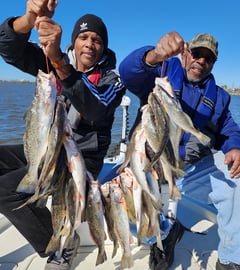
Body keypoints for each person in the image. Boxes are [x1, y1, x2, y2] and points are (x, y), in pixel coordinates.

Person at [0, 0, 125, 269]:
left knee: (5, 190)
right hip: (45, 148)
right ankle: (37, 194)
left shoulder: (112, 79)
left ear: (103, 47)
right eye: (83, 37)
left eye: (96, 40)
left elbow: (95, 108)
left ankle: (61, 242)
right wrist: (28, 17)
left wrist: (57, 60)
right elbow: (9, 49)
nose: (90, 44)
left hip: (79, 159)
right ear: (74, 41)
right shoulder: (51, 60)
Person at [119, 32, 240, 270]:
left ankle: (234, 259)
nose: (201, 61)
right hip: (152, 168)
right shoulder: (162, 71)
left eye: (208, 59)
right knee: (124, 210)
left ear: (212, 65)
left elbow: (229, 129)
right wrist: (154, 55)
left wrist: (237, 148)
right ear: (185, 53)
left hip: (190, 171)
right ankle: (165, 234)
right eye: (197, 54)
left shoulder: (219, 96)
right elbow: (128, 72)